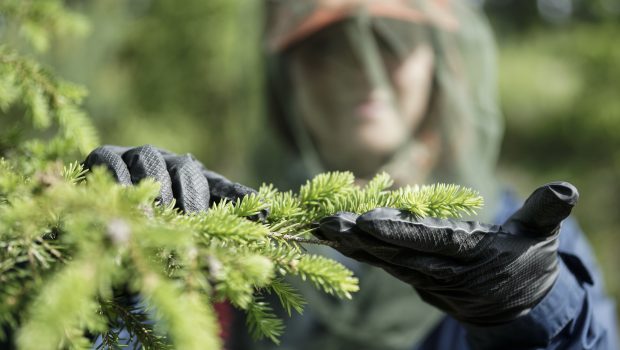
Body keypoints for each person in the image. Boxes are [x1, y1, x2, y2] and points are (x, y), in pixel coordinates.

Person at [84, 1, 618, 349]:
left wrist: (534, 306)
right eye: (324, 47)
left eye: (391, 40)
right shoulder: (234, 233)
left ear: (440, 61)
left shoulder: (521, 237)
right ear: (284, 80)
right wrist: (105, 269)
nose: (359, 69)